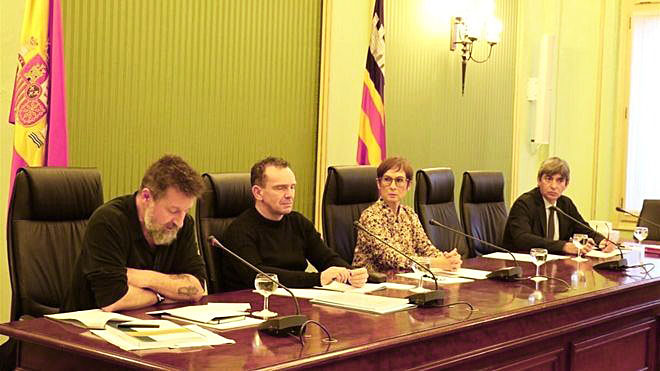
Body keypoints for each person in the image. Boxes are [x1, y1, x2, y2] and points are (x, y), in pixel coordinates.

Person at [63, 155, 207, 312]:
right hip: (82, 329)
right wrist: (161, 296)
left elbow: (198, 288)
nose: (179, 222)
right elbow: (113, 299)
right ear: (146, 197)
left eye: (186, 211)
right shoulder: (108, 221)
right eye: (173, 210)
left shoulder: (183, 225)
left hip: (147, 325)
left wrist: (145, 278)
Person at [221, 157, 368, 291]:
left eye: (292, 187)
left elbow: (326, 258)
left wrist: (350, 272)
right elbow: (258, 276)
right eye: (280, 188)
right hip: (256, 306)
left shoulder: (298, 222)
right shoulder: (240, 230)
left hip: (297, 299)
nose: (289, 194)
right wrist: (318, 279)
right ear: (258, 193)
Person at [352, 157, 462, 273]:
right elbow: (391, 258)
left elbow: (425, 248)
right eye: (387, 179)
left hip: (405, 281)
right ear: (379, 184)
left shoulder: (409, 214)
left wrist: (447, 259)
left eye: (399, 180)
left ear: (408, 185)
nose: (393, 186)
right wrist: (434, 263)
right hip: (373, 283)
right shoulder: (371, 216)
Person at [502, 157, 616, 254]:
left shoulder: (565, 204)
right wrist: (563, 246)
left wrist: (602, 241)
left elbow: (583, 228)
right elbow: (522, 239)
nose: (553, 186)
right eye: (548, 179)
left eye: (559, 181)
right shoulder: (524, 203)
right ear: (539, 180)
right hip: (523, 264)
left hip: (555, 265)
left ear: (566, 184)